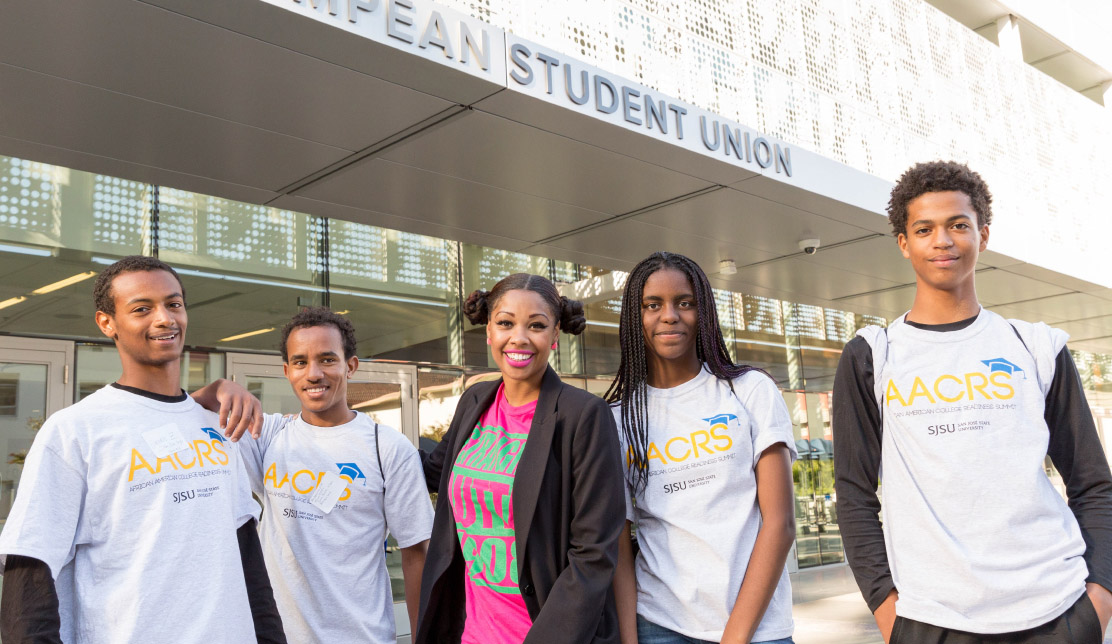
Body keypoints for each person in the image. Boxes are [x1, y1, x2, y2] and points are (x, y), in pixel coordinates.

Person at [833, 160, 1112, 643]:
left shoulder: (1035, 347)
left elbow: (1092, 484)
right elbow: (854, 495)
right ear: (904, 242)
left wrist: (1099, 600)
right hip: (931, 621)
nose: (942, 240)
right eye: (925, 229)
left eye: (958, 225)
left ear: (983, 235)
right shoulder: (873, 355)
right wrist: (887, 610)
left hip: (1057, 612)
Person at [0, 255, 285, 643]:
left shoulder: (215, 424)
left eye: (174, 304)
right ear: (107, 323)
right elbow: (30, 570)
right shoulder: (75, 430)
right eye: (141, 309)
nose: (165, 318)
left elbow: (246, 554)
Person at [416, 273, 625, 644]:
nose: (519, 337)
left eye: (536, 325)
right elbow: (433, 472)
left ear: (555, 336)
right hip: (473, 633)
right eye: (506, 323)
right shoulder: (474, 401)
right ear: (490, 333)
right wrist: (357, 436)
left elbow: (593, 555)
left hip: (547, 633)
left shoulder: (584, 415)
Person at [608, 252, 797, 644]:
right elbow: (620, 549)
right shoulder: (618, 419)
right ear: (633, 317)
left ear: (704, 311)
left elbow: (779, 524)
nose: (670, 315)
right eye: (652, 305)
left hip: (759, 629)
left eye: (685, 302)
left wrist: (736, 636)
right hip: (659, 626)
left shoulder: (748, 391)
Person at [223, 306, 432, 644]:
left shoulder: (387, 448)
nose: (314, 373)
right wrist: (220, 387)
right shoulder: (270, 435)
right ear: (287, 371)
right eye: (301, 362)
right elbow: (193, 412)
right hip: (277, 636)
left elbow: (417, 552)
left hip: (360, 636)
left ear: (350, 366)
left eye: (327, 359)